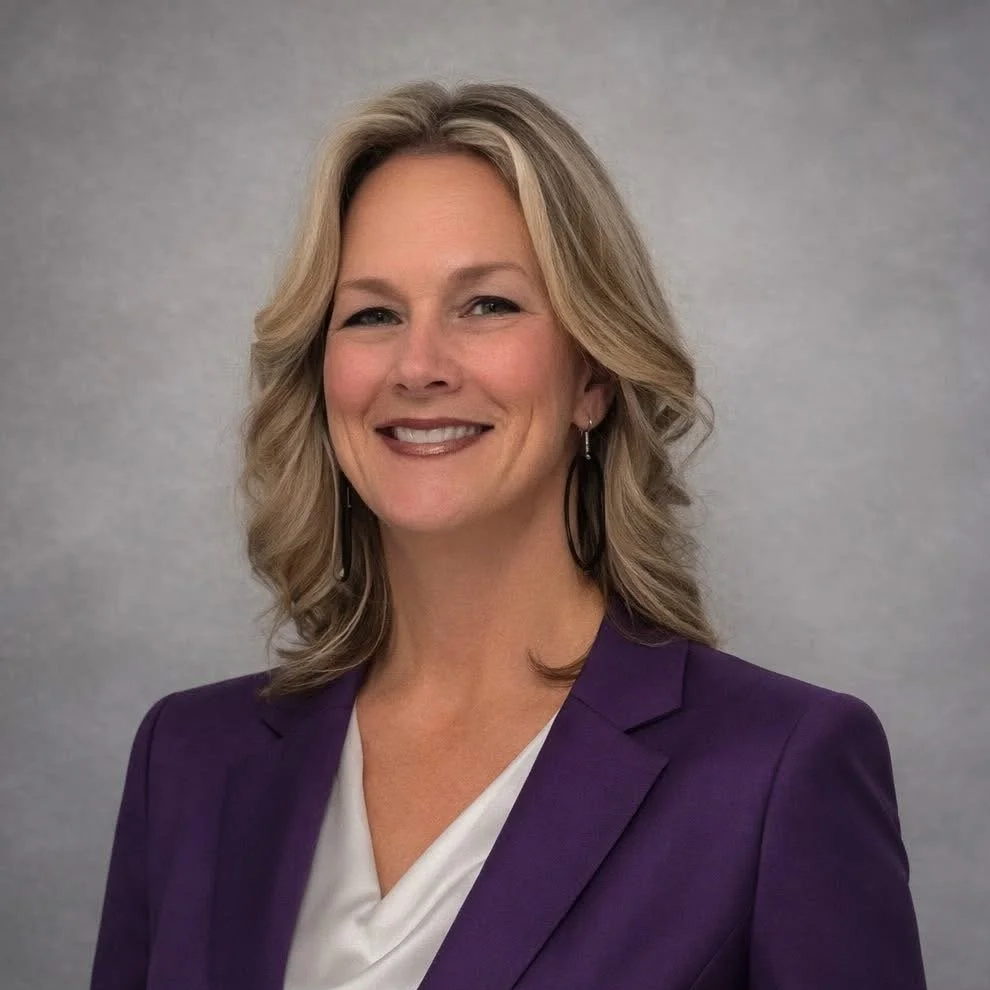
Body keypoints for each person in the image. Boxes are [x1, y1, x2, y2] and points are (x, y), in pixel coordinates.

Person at [89, 80, 927, 990]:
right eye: (371, 313)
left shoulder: (776, 769)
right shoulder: (189, 758)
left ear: (594, 376)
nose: (418, 366)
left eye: (486, 304)